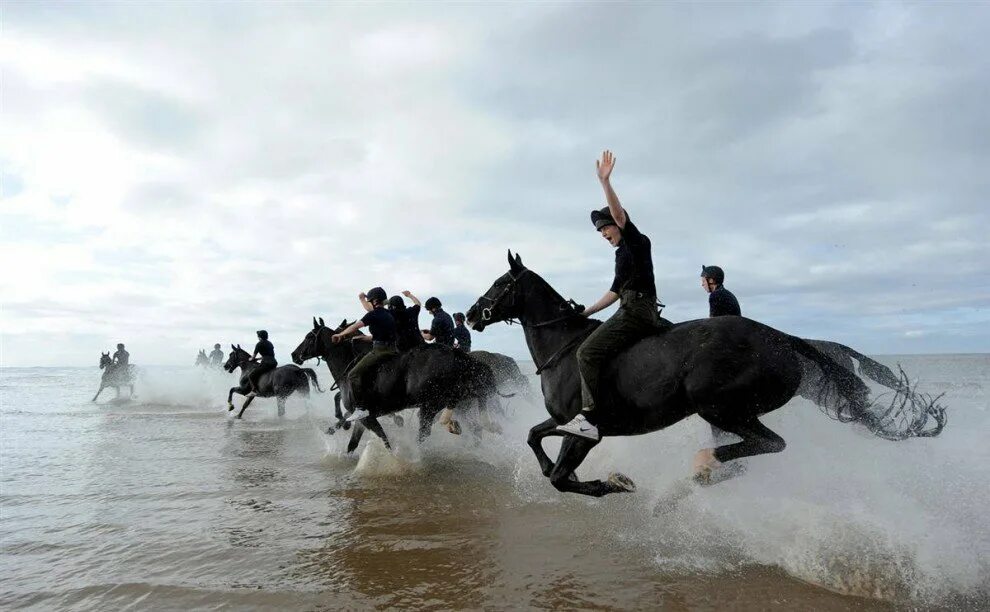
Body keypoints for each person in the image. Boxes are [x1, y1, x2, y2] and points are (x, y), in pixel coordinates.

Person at [557, 150, 661, 441]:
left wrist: (605, 182)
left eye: (606, 227)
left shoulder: (637, 241)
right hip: (628, 307)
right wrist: (585, 313)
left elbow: (618, 213)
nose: (603, 233)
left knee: (586, 352)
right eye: (600, 231)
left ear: (619, 224)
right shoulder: (621, 256)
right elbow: (614, 292)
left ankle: (589, 418)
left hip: (638, 310)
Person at [332, 287, 398, 421]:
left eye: (371, 300)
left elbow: (355, 326)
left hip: (380, 351)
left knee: (352, 374)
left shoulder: (373, 314)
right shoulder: (388, 314)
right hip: (393, 350)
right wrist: (363, 338)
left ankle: (361, 408)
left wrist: (341, 334)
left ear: (374, 301)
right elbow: (380, 335)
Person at [246, 330, 277, 398]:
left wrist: (250, 359)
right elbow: (269, 355)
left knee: (251, 375)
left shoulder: (259, 344)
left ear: (259, 337)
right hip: (274, 363)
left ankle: (254, 391)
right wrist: (258, 359)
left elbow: (253, 357)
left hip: (266, 364)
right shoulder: (270, 343)